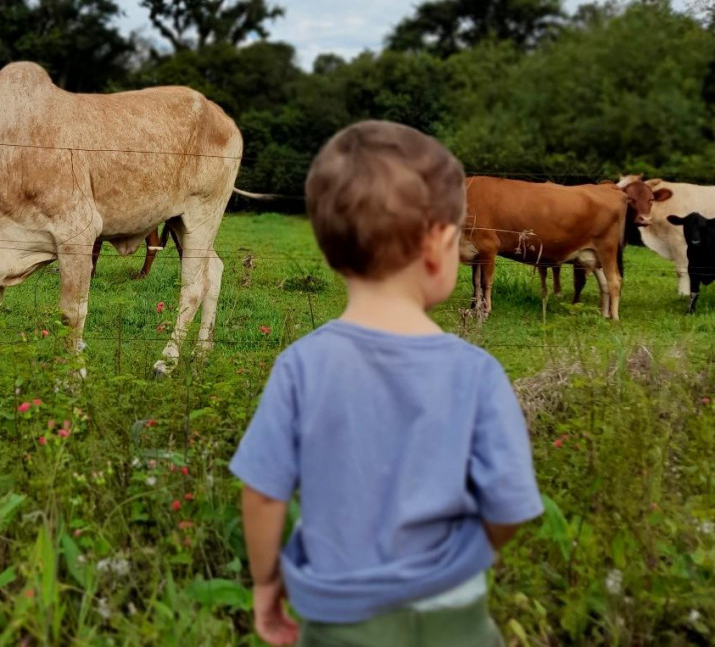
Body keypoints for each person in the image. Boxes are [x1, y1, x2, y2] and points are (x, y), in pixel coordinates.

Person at [229, 120, 544, 646]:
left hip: (339, 620)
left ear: (329, 252)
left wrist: (266, 583)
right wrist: (460, 560)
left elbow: (262, 493)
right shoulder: (477, 373)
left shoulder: (301, 366)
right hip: (454, 620)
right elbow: (511, 504)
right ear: (440, 243)